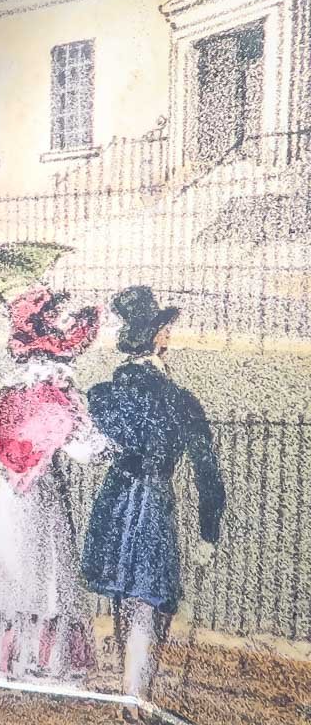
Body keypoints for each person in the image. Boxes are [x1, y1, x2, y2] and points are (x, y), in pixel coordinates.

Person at [81, 286, 226, 721]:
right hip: (153, 503)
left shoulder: (104, 395)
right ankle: (136, 703)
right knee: (151, 601)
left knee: (127, 599)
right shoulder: (179, 401)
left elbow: (96, 446)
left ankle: (131, 699)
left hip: (116, 498)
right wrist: (208, 531)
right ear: (159, 336)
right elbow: (207, 472)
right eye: (166, 329)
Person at [0, 287, 106, 682]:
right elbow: (86, 451)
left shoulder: (5, 396)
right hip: (40, 496)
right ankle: (38, 661)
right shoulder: (57, 398)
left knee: (5, 570)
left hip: (5, 494)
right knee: (43, 575)